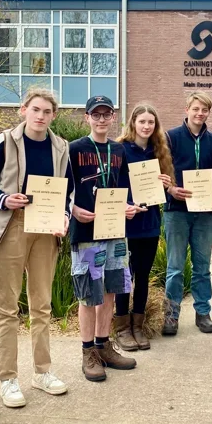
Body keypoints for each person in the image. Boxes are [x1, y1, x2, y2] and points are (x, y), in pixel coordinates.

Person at [0, 87, 72, 408]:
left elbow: (67, 192)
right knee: (6, 308)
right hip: (11, 226)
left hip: (45, 230)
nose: (40, 116)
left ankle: (42, 372)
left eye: (47, 112)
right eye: (35, 110)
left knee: (42, 305)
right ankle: (7, 379)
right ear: (24, 110)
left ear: (54, 116)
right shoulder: (4, 141)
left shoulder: (61, 147)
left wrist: (64, 217)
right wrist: (5, 199)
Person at [69, 95, 139, 382]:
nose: (100, 120)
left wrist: (128, 208)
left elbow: (123, 188)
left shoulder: (119, 150)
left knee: (110, 290)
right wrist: (73, 210)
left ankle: (103, 344)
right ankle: (88, 352)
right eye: (95, 115)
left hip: (114, 231)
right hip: (86, 232)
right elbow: (64, 189)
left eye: (106, 114)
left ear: (113, 117)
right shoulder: (73, 150)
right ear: (86, 118)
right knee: (88, 294)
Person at [113, 104, 174, 351]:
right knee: (124, 277)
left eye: (151, 122)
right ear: (133, 123)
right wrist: (125, 205)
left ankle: (138, 325)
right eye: (142, 122)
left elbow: (164, 194)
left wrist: (167, 185)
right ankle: (122, 328)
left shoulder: (159, 151)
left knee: (143, 275)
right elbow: (111, 185)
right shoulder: (120, 149)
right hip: (126, 222)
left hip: (149, 223)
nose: (146, 126)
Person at [162, 92, 212, 336]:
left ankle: (203, 312)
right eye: (196, 109)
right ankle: (171, 315)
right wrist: (171, 189)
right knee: (175, 267)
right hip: (177, 211)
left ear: (208, 112)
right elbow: (162, 170)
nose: (200, 114)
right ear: (187, 109)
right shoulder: (171, 137)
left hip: (204, 212)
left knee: (202, 266)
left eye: (204, 110)